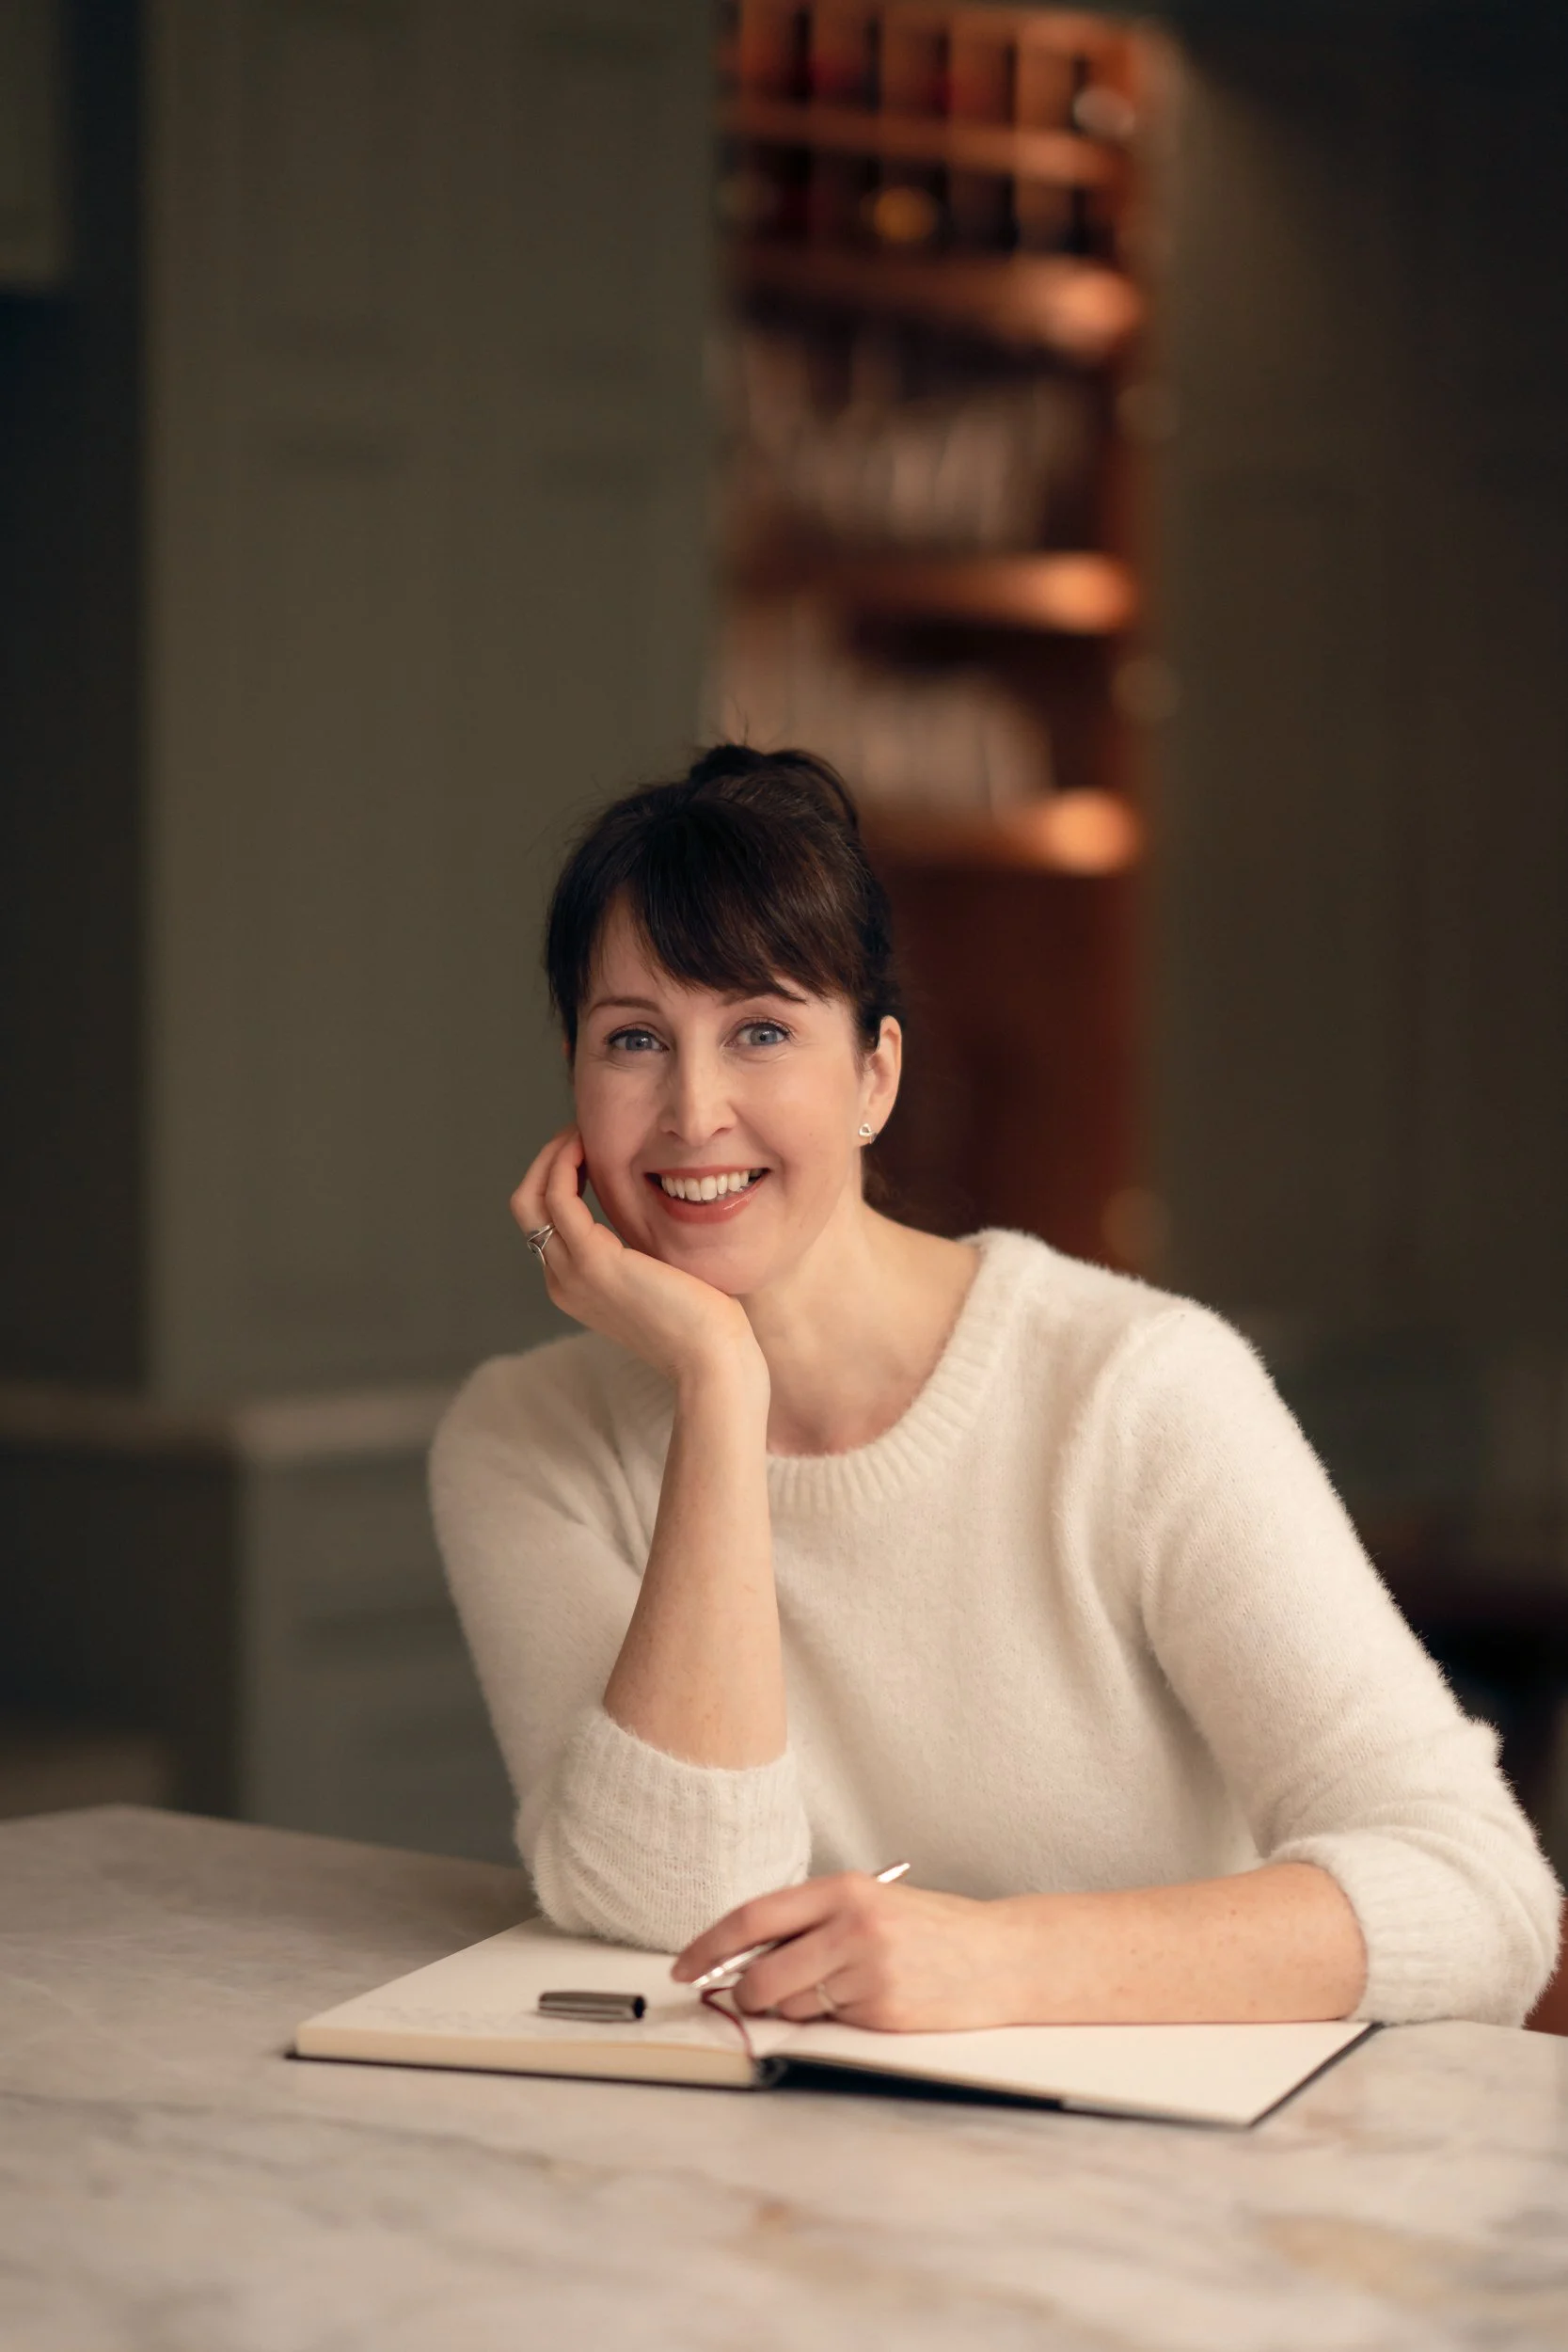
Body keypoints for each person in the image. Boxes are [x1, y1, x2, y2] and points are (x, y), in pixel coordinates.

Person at [431, 744, 1560, 2032]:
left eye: (759, 1031)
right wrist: (716, 1387)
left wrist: (1004, 1964)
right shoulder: (522, 1438)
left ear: (872, 1077)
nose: (692, 1111)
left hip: (1180, 2186)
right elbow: (671, 1912)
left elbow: (1484, 1897)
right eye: (632, 1039)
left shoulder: (1133, 1389)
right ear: (575, 1085)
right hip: (771, 2184)